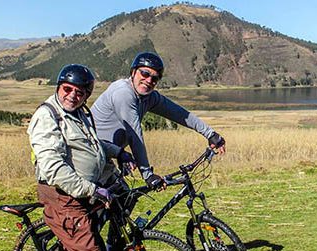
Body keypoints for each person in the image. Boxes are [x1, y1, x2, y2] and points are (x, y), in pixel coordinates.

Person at [27, 64, 135, 251]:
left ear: (87, 95)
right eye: (67, 89)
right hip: (63, 196)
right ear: (59, 87)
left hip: (78, 194)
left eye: (80, 92)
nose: (72, 96)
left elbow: (93, 145)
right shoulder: (48, 115)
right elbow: (53, 169)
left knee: (72, 250)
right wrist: (93, 190)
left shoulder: (80, 114)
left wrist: (118, 152)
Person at [90, 51, 226, 191]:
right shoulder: (123, 93)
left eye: (155, 78)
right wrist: (147, 174)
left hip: (109, 155)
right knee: (105, 203)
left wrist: (210, 134)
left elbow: (180, 114)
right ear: (133, 72)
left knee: (122, 200)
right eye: (145, 74)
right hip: (92, 154)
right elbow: (134, 135)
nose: (149, 81)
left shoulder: (149, 97)